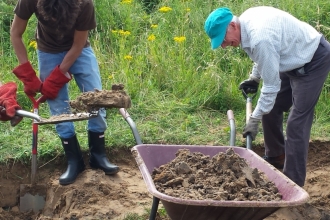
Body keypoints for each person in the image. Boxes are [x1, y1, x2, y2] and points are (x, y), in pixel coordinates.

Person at [204, 6, 330, 187]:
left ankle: (292, 184)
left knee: (297, 123)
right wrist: (254, 78)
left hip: (312, 59)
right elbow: (263, 57)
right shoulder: (246, 24)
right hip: (289, 59)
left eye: (223, 40)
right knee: (270, 108)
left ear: (232, 25)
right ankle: (276, 156)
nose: (223, 46)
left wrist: (253, 119)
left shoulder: (259, 37)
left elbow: (271, 85)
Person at [10, 0, 119, 185]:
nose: (54, 19)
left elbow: (78, 45)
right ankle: (74, 161)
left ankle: (98, 156)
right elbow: (15, 33)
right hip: (48, 52)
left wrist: (57, 76)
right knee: (58, 106)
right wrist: (27, 72)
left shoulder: (85, 3)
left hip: (80, 50)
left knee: (97, 98)